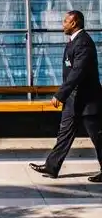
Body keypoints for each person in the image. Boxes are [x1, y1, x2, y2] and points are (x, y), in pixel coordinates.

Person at [29, 10, 102, 182]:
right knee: (64, 134)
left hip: (88, 101)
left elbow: (78, 73)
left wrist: (60, 94)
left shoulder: (83, 43)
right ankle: (52, 166)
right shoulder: (73, 42)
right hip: (74, 100)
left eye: (65, 21)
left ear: (74, 23)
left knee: (98, 137)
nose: (63, 24)